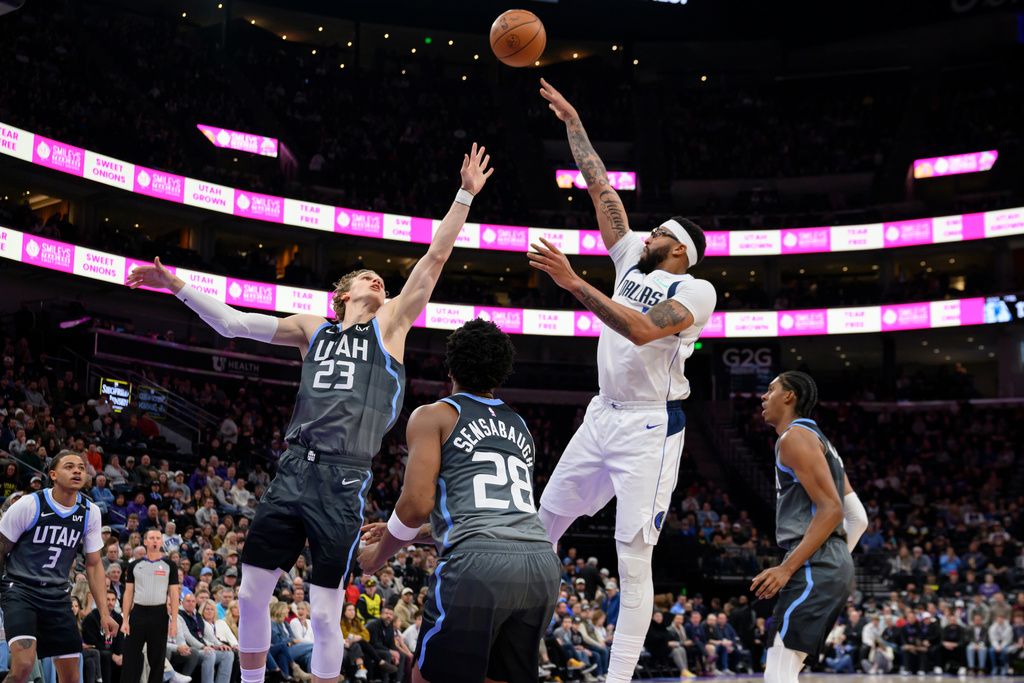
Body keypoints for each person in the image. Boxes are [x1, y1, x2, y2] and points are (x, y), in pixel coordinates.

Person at [127, 143, 493, 683]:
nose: (380, 282)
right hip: (293, 469)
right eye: (368, 277)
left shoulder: (391, 325)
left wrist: (464, 193)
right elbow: (233, 324)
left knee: (324, 610)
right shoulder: (310, 328)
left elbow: (434, 258)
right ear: (340, 293)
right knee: (251, 593)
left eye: (381, 281)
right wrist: (176, 285)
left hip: (343, 479)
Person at [527, 78, 718, 683]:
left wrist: (574, 283)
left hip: (649, 427)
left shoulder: (696, 290)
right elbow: (600, 185)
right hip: (601, 414)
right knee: (540, 530)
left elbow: (640, 330)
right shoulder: (633, 255)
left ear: (680, 250)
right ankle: (518, 648)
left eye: (660, 233)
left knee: (633, 559)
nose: (646, 234)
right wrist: (573, 120)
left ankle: (617, 678)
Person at [359, 319, 562, 683]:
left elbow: (416, 504)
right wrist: (410, 534)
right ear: (500, 372)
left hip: (479, 568)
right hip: (540, 564)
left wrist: (380, 554)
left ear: (450, 366)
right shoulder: (520, 425)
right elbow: (494, 513)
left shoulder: (432, 415)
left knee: (427, 677)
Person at [751, 372, 868, 683]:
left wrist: (790, 567)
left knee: (778, 673)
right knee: (782, 670)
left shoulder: (794, 438)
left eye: (771, 390)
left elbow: (832, 509)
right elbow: (859, 517)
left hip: (815, 565)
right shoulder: (819, 440)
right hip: (827, 564)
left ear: (789, 396)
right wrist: (836, 561)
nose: (764, 397)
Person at [0, 451, 118, 683]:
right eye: (69, 466)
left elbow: (94, 565)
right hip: (21, 590)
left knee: (72, 676)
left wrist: (104, 613)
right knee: (23, 666)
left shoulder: (90, 512)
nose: (77, 471)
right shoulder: (30, 504)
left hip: (57, 595)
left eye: (81, 468)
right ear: (52, 474)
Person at [121, 528, 182, 683]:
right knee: (131, 657)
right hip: (138, 612)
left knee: (157, 659)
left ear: (161, 542)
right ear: (145, 542)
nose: (155, 541)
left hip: (159, 613)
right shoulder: (135, 565)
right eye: (152, 538)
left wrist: (174, 621)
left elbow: (174, 595)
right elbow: (128, 594)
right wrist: (125, 620)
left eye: (158, 538)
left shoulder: (170, 566)